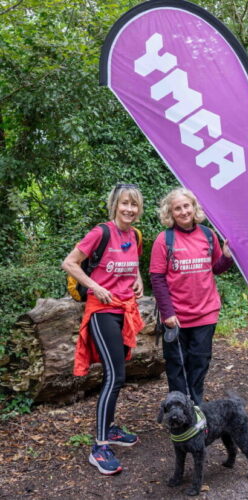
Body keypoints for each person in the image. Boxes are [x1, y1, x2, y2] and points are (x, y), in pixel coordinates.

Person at [62, 183, 145, 476]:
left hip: (125, 310)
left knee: (118, 374)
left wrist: (139, 280)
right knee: (115, 375)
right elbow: (70, 263)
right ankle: (99, 447)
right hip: (102, 310)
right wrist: (96, 287)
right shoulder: (101, 232)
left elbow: (131, 265)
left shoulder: (134, 235)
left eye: (134, 205)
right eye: (124, 203)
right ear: (114, 205)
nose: (129, 209)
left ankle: (110, 429)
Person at [150, 187, 233, 405]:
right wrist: (167, 313)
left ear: (194, 207)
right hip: (176, 317)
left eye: (187, 206)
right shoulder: (164, 239)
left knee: (199, 363)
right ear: (170, 213)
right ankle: (178, 412)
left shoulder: (208, 235)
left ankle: (196, 409)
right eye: (177, 208)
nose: (184, 211)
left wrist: (226, 257)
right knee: (176, 365)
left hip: (206, 313)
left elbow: (215, 268)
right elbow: (157, 278)